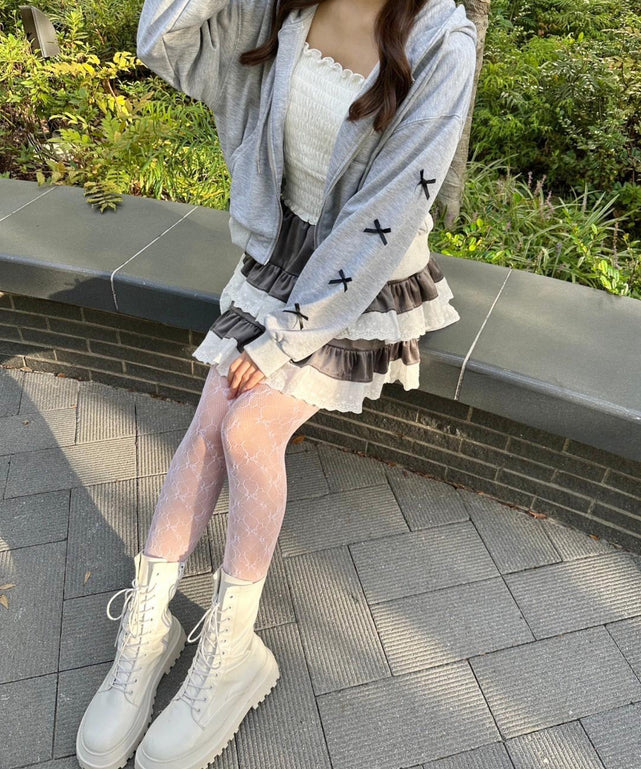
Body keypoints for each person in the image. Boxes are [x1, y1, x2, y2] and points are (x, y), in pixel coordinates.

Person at [75, 1, 478, 768]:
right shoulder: (279, 8)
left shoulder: (439, 43)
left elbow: (390, 209)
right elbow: (165, 38)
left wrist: (290, 333)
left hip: (360, 282)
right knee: (212, 413)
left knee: (247, 426)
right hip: (281, 258)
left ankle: (232, 653)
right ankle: (148, 629)